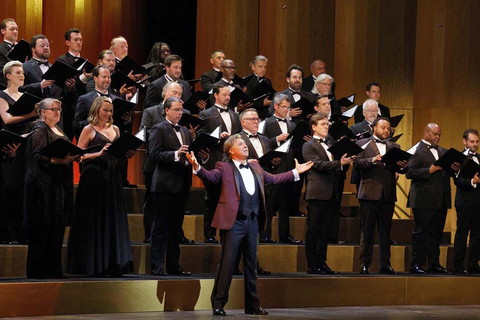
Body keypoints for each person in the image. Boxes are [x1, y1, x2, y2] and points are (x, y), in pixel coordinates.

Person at [187, 134, 313, 316]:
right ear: (230, 150)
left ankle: (253, 305)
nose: (245, 146)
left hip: (253, 222)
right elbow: (210, 177)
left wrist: (296, 172)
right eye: (240, 144)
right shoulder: (223, 167)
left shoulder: (255, 166)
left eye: (245, 144)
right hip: (234, 222)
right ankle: (218, 303)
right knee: (228, 264)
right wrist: (197, 166)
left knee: (251, 265)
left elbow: (274, 179)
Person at [66, 96, 135, 277]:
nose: (108, 113)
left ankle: (112, 263)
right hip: (93, 179)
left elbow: (119, 155)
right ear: (96, 110)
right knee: (94, 221)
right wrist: (99, 153)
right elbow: (78, 156)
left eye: (110, 110)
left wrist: (126, 154)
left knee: (111, 219)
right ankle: (93, 264)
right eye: (105, 110)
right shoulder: (88, 129)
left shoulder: (116, 128)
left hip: (112, 179)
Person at [148, 97, 204, 276]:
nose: (180, 113)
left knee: (175, 228)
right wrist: (175, 154)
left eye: (181, 110)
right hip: (165, 185)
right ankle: (157, 265)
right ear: (166, 110)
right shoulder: (158, 128)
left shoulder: (186, 131)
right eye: (176, 110)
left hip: (182, 185)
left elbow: (189, 154)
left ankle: (173, 265)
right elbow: (154, 155)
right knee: (160, 227)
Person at [24, 98, 77, 279]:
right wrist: (60, 161)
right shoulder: (39, 129)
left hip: (56, 185)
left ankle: (53, 268)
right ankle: (39, 271)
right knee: (42, 229)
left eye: (59, 110)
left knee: (56, 228)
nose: (57, 112)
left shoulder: (58, 130)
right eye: (53, 109)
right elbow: (38, 155)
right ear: (43, 112)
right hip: (42, 185)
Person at [141, 82, 194, 245]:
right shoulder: (152, 114)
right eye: (174, 92)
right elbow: (148, 139)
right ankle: (150, 236)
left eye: (180, 93)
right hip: (159, 171)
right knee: (156, 211)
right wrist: (175, 153)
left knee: (175, 218)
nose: (178, 95)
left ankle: (175, 256)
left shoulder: (184, 126)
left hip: (180, 176)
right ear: (165, 93)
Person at [354, 117, 408, 274]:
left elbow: (402, 169)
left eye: (388, 128)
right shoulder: (362, 144)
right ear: (374, 128)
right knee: (367, 231)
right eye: (383, 127)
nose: (386, 130)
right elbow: (357, 164)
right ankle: (365, 264)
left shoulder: (394, 146)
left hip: (388, 194)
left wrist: (403, 166)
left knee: (386, 232)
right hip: (368, 193)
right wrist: (372, 160)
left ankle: (385, 264)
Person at [302, 113, 354, 274]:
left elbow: (337, 166)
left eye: (327, 124)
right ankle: (312, 264)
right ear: (313, 127)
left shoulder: (331, 143)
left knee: (325, 231)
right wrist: (339, 163)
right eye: (323, 124)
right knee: (314, 230)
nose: (327, 126)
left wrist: (345, 161)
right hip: (317, 193)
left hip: (331, 193)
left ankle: (322, 262)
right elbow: (317, 164)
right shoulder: (309, 145)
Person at [406, 123, 459, 274]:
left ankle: (434, 263)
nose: (437, 137)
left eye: (439, 135)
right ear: (426, 133)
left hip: (440, 199)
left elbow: (446, 173)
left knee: (436, 234)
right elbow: (409, 173)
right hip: (423, 199)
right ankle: (416, 264)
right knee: (421, 233)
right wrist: (429, 170)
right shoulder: (418, 150)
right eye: (435, 134)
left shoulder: (443, 151)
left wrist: (453, 169)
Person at [197, 83, 241, 243]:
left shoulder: (235, 115)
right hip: (214, 160)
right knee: (212, 198)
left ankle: (226, 232)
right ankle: (209, 233)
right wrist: (216, 136)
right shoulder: (206, 114)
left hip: (231, 162)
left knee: (229, 198)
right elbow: (201, 135)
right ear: (215, 95)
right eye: (224, 94)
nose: (227, 97)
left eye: (229, 95)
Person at [0, 60, 37, 244]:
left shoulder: (25, 96)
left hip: (25, 146)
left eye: (23, 73)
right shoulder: (2, 95)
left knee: (23, 190)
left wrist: (34, 122)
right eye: (18, 73)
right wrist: (30, 115)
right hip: (8, 147)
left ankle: (21, 234)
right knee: (10, 188)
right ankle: (7, 234)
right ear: (8, 76)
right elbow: (6, 119)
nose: (22, 75)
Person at [261, 94, 303, 244]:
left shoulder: (292, 125)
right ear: (276, 106)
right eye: (284, 107)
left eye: (288, 107)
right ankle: (265, 234)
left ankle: (285, 235)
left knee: (286, 205)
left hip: (288, 168)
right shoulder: (267, 123)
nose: (286, 110)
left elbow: (295, 147)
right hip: (273, 170)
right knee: (270, 205)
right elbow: (262, 142)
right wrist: (276, 140)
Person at [453, 129, 480, 273]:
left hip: (478, 203)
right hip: (464, 202)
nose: (475, 144)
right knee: (462, 234)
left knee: (477, 235)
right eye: (472, 141)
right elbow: (457, 181)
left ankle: (473, 264)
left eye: (477, 141)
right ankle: (458, 265)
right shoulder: (458, 158)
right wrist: (473, 181)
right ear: (464, 141)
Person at [244, 55, 273, 120]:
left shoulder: (268, 81)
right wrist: (262, 103)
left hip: (265, 116)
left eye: (265, 67)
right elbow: (245, 102)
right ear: (253, 67)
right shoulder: (246, 81)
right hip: (251, 117)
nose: (263, 69)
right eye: (260, 67)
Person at [0, 18, 18, 84]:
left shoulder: (24, 48)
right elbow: (2, 72)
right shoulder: (0, 49)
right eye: (12, 29)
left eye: (16, 29)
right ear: (3, 31)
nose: (15, 32)